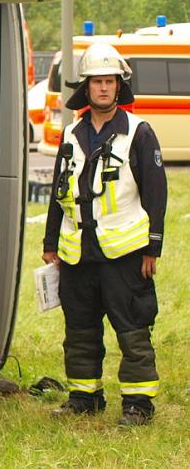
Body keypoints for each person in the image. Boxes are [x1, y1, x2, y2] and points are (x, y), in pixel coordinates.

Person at [42, 42, 167, 426]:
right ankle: (84, 395)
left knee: (132, 326)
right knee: (79, 327)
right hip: (77, 251)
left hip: (125, 252)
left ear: (119, 86)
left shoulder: (138, 132)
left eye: (110, 81)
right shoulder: (71, 133)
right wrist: (50, 245)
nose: (103, 88)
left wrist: (153, 249)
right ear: (86, 86)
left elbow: (156, 192)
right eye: (97, 81)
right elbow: (57, 193)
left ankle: (138, 403)